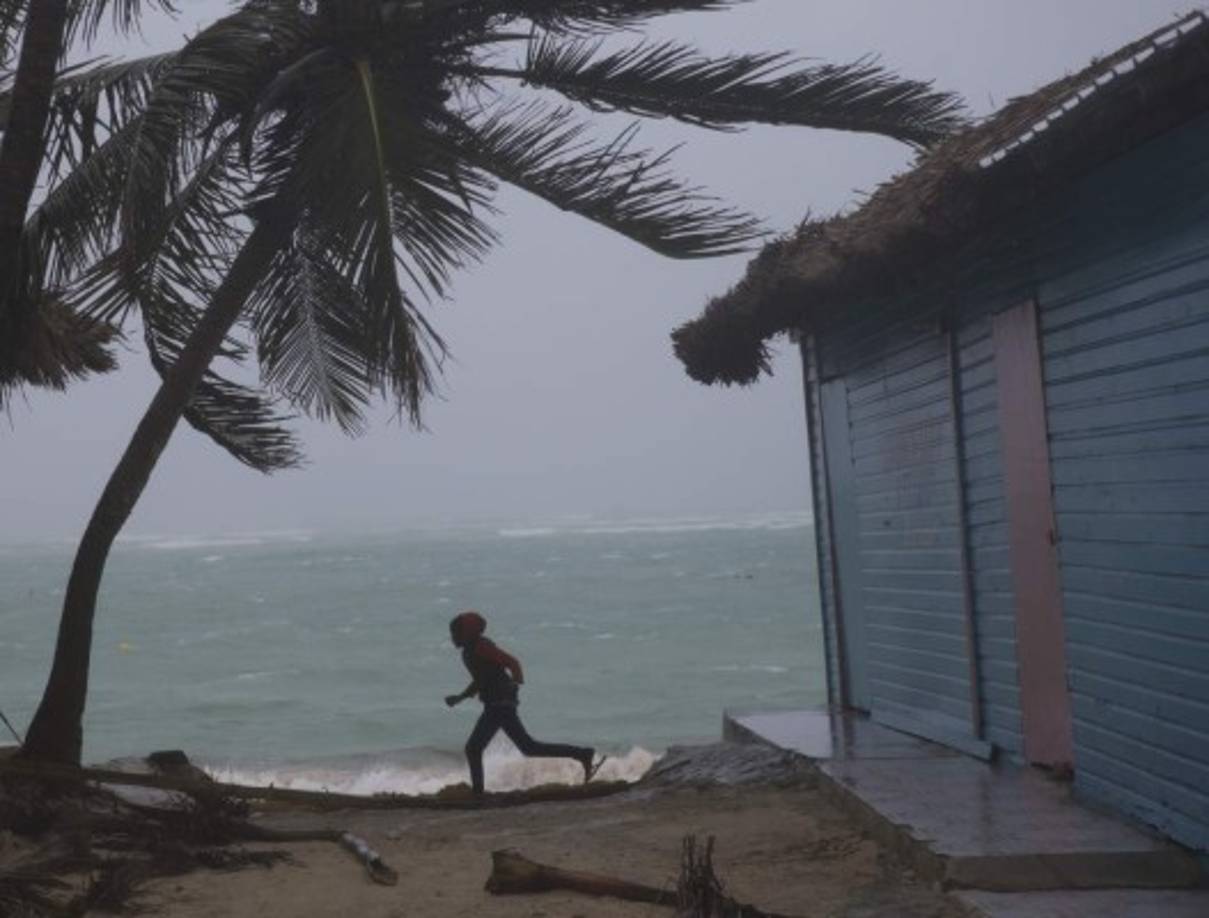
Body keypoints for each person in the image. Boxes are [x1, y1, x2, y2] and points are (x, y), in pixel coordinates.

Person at [444, 610, 604, 796]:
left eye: (456, 632)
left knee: (474, 748)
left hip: (500, 704)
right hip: (497, 704)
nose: (453, 637)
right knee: (528, 747)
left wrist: (515, 683)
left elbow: (512, 662)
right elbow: (481, 680)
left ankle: (478, 795)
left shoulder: (481, 646)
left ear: (468, 632)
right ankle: (583, 754)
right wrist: (460, 697)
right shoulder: (471, 650)